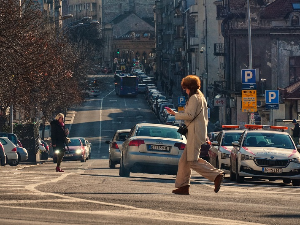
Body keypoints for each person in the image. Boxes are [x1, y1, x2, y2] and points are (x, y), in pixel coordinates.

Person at [166, 75, 224, 195]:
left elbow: (190, 115)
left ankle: (216, 175)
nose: (185, 90)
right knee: (184, 161)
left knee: (192, 161)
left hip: (194, 132)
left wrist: (175, 114)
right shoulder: (201, 97)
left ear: (190, 87)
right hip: (197, 131)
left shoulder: (194, 98)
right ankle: (183, 186)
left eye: (186, 88)